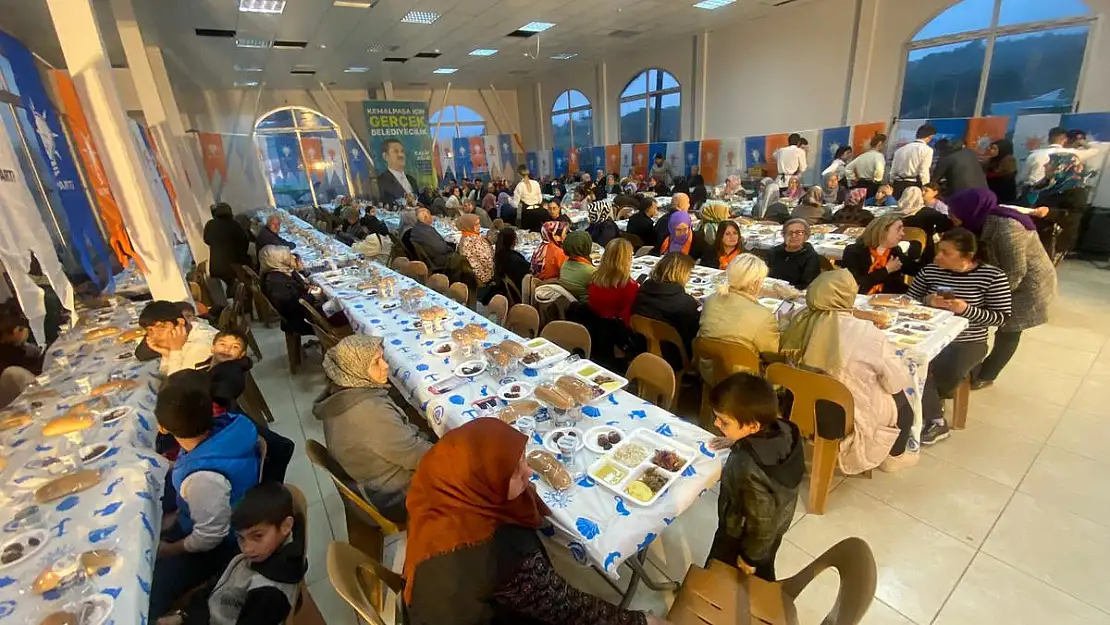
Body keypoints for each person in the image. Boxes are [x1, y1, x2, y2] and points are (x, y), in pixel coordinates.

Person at [402, 419, 664, 625]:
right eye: (515, 472)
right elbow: (568, 608)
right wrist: (642, 620)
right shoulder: (500, 552)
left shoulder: (436, 487)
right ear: (486, 483)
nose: (529, 472)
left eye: (523, 460)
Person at [150, 369, 261, 620]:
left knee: (150, 589)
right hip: (231, 504)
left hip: (226, 545)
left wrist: (170, 549)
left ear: (162, 428)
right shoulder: (230, 425)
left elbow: (210, 537)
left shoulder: (202, 478)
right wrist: (179, 514)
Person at [780, 270, 917, 471]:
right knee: (902, 398)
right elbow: (895, 381)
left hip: (795, 406)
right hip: (842, 414)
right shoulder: (865, 332)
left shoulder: (799, 319)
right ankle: (894, 457)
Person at [907, 228, 1012, 444]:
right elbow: (908, 300)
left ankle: (933, 417)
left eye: (946, 253)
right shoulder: (930, 271)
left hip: (969, 339)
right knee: (911, 362)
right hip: (927, 334)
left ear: (967, 257)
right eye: (939, 251)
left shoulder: (992, 276)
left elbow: (1001, 318)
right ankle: (934, 413)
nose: (938, 257)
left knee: (944, 368)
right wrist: (928, 301)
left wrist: (965, 309)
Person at [944, 190, 1056, 390]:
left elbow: (1015, 270)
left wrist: (994, 298)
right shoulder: (981, 220)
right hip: (1007, 277)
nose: (952, 217)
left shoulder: (1007, 228)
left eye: (954, 213)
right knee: (980, 318)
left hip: (1028, 285)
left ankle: (987, 375)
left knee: (1009, 328)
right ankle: (969, 367)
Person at [313, 335, 432, 522]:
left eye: (382, 358)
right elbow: (421, 458)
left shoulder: (343, 391)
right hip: (393, 495)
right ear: (356, 371)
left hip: (371, 478)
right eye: (377, 362)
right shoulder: (368, 414)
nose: (385, 366)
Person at [157, 482, 307, 625]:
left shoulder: (270, 596)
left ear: (286, 526)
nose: (247, 548)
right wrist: (183, 616)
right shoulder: (260, 552)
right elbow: (214, 586)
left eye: (258, 536)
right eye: (241, 538)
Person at [705, 372, 804, 580]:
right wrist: (736, 439)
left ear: (752, 427)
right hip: (778, 523)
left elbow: (762, 523)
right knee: (764, 563)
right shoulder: (784, 429)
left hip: (741, 533)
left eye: (724, 422)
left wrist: (750, 557)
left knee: (722, 571)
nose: (716, 424)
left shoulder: (748, 467)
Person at [698, 254, 780, 382]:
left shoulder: (712, 299)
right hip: (744, 379)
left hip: (709, 369)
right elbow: (773, 357)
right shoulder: (763, 317)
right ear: (754, 284)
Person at [631, 253, 701, 367]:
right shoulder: (685, 303)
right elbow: (692, 336)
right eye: (689, 273)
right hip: (674, 356)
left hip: (643, 347)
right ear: (682, 274)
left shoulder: (643, 290)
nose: (689, 277)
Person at [1030, 151, 1090, 261]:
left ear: (1062, 167)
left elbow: (1074, 215)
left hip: (1055, 239)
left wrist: (1049, 212)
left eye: (1050, 163)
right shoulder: (1049, 184)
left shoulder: (1076, 189)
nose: (1045, 165)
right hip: (1037, 234)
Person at [841, 213, 916, 294]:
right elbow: (854, 283)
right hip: (858, 299)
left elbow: (914, 269)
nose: (903, 233)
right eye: (898, 229)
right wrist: (886, 270)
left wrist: (917, 247)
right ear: (883, 230)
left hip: (887, 301)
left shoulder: (895, 251)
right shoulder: (853, 251)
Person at [139, 300, 219, 376]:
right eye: (150, 330)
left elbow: (175, 385)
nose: (156, 335)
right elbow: (164, 375)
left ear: (180, 323)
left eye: (162, 327)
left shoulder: (200, 346)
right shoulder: (190, 329)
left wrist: (175, 350)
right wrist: (166, 354)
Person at [258, 246, 317, 336]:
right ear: (278, 261)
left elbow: (296, 291)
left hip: (300, 313)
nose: (293, 257)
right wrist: (313, 296)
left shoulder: (281, 272)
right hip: (300, 321)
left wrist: (306, 289)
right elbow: (290, 304)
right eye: (289, 255)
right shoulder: (276, 281)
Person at [1019, 126, 1101, 190]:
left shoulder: (1034, 155)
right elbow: (1095, 150)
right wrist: (1081, 142)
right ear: (1065, 139)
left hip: (1033, 192)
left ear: (1048, 139)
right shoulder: (1072, 153)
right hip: (1056, 193)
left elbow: (1023, 177)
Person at [588, 238, 640, 326]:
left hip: (593, 329)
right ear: (627, 259)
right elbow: (628, 322)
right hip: (616, 334)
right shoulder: (630, 288)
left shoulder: (594, 279)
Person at [203, 202, 250, 296]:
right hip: (233, 265)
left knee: (224, 291)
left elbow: (207, 240)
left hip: (216, 265)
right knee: (236, 289)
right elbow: (244, 241)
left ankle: (228, 306)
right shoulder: (234, 225)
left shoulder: (210, 224)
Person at [902, 184, 954, 266]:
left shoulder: (893, 213)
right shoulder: (929, 213)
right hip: (924, 251)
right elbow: (946, 225)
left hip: (899, 251)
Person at [767, 219, 822, 289]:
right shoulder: (774, 252)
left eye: (799, 232)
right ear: (783, 235)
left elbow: (808, 285)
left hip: (796, 294)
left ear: (806, 236)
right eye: (789, 233)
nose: (793, 236)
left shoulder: (811, 257)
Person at [205, 330, 252, 411]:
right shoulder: (217, 366)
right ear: (212, 348)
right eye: (222, 344)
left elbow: (220, 395)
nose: (226, 349)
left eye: (235, 347)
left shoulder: (232, 373)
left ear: (241, 354)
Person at [890, 124, 935, 197]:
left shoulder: (900, 150)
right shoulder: (927, 150)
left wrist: (892, 182)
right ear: (931, 136)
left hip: (897, 183)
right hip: (912, 185)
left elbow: (893, 170)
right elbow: (923, 170)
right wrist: (926, 186)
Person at [457, 213, 494, 287]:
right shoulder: (475, 240)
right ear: (468, 226)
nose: (479, 226)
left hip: (470, 274)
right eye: (476, 224)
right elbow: (487, 261)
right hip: (481, 275)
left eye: (479, 223)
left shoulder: (464, 237)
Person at [377, 138, 418, 205]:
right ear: (385, 156)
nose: (400, 155)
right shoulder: (381, 182)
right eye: (395, 151)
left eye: (402, 151)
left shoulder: (412, 180)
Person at [558, 231, 596, 302]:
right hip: (585, 306)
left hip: (568, 303)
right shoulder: (591, 271)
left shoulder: (565, 264)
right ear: (587, 247)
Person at [982, 139, 1018, 205]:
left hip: (1004, 193)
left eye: (995, 149)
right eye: (991, 148)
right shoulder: (990, 160)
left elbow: (1008, 174)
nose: (992, 151)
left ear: (1002, 149)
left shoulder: (1009, 159)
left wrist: (989, 175)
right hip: (991, 191)